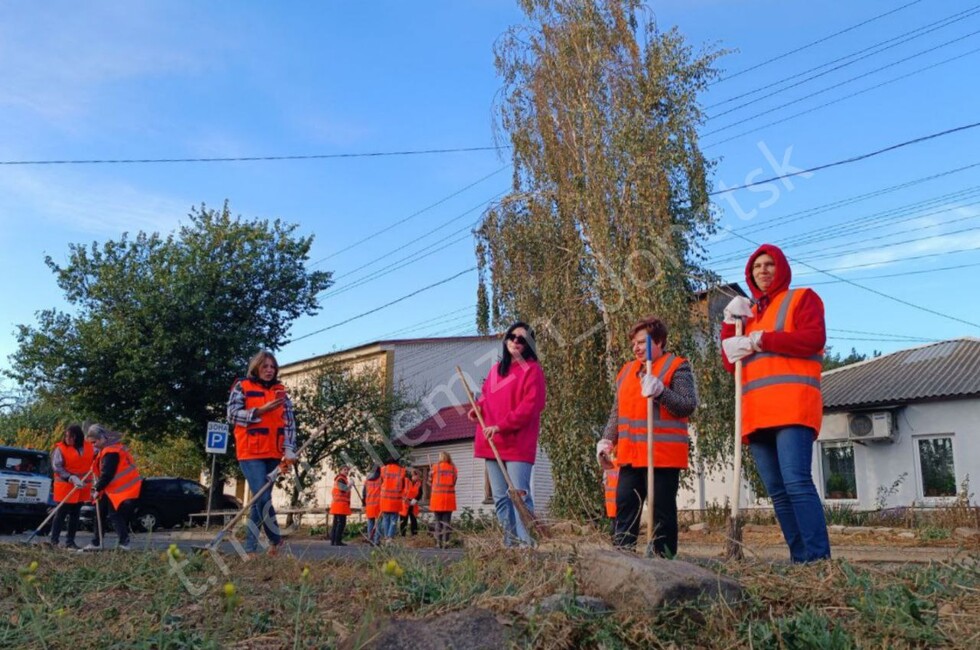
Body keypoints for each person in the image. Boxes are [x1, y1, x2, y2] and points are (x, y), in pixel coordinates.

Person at [720, 243, 831, 564]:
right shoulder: (747, 315)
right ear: (750, 274)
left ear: (781, 268)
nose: (763, 271)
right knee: (778, 492)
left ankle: (819, 561)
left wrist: (761, 339)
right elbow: (731, 362)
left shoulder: (802, 298)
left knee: (796, 483)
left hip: (792, 406)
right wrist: (730, 323)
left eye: (769, 264)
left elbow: (813, 339)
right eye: (757, 267)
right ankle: (801, 560)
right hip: (756, 414)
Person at [596, 315, 698, 557]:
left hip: (661, 456)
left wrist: (661, 392)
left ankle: (663, 561)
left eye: (642, 342)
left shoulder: (677, 366)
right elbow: (617, 411)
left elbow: (687, 404)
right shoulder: (626, 371)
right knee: (625, 504)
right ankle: (624, 557)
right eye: (634, 343)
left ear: (659, 341)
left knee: (661, 512)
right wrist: (607, 440)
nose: (636, 348)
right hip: (630, 455)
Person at [468, 321, 547, 548]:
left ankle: (527, 547)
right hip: (492, 442)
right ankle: (510, 546)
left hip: (517, 443)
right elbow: (485, 397)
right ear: (506, 340)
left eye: (521, 339)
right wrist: (478, 409)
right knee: (501, 498)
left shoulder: (533, 370)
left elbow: (531, 406)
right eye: (512, 337)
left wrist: (501, 425)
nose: (515, 342)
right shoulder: (496, 370)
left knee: (519, 497)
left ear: (529, 344)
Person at [227, 350, 297, 557]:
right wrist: (259, 411)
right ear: (256, 367)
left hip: (274, 453)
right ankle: (276, 539)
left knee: (260, 502)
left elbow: (289, 422)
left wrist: (289, 448)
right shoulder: (242, 386)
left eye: (272, 367)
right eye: (265, 366)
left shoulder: (280, 391)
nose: (269, 370)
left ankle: (250, 548)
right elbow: (231, 415)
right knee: (263, 496)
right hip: (250, 452)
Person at [81, 424, 143, 551]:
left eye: (94, 442)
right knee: (100, 513)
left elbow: (107, 474)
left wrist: (97, 489)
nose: (93, 445)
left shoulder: (111, 452)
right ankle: (97, 542)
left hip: (118, 489)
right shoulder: (108, 450)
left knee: (114, 515)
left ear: (101, 439)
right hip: (111, 489)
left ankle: (124, 543)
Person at [49, 424, 95, 549]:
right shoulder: (61, 449)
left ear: (78, 437)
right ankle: (54, 541)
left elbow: (97, 459)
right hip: (65, 486)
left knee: (75, 515)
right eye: (66, 436)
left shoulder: (89, 447)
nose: (68, 439)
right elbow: (57, 466)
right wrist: (70, 477)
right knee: (61, 514)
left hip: (81, 487)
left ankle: (70, 542)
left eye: (71, 436)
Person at [429, 452, 458, 549]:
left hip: (437, 499)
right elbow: (454, 483)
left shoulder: (435, 468)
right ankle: (446, 543)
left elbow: (430, 482)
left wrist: (430, 475)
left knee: (437, 522)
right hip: (448, 499)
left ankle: (438, 543)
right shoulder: (453, 469)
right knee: (446, 522)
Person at [379, 455, 407, 543]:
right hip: (395, 499)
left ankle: (386, 536)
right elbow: (403, 486)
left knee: (386, 519)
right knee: (393, 519)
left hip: (385, 499)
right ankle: (390, 537)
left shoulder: (383, 469)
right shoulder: (401, 470)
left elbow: (380, 483)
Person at [329, 466, 352, 546]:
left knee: (336, 523)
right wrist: (350, 485)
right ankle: (337, 541)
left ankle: (333, 540)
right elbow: (343, 489)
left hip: (338, 505)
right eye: (345, 470)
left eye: (347, 470)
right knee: (341, 523)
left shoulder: (340, 479)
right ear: (340, 470)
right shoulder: (341, 479)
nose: (346, 471)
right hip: (340, 505)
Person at [362, 465, 382, 545]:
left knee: (370, 522)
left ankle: (370, 540)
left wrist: (363, 504)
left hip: (369, 504)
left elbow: (364, 493)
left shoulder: (367, 481)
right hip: (378, 504)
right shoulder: (381, 479)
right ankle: (377, 541)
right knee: (378, 523)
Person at [400, 468, 423, 537]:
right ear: (414, 475)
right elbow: (400, 489)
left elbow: (420, 493)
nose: (418, 478)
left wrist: (415, 499)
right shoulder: (405, 481)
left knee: (414, 520)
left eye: (419, 477)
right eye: (418, 476)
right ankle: (403, 536)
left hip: (413, 504)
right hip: (405, 503)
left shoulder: (418, 483)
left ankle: (414, 535)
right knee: (403, 521)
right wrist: (403, 497)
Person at [603, 463, 619, 539]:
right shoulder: (621, 466)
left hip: (610, 502)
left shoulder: (607, 466)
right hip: (619, 502)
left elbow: (604, 482)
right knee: (619, 524)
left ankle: (614, 540)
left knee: (613, 522)